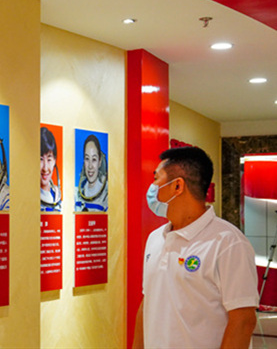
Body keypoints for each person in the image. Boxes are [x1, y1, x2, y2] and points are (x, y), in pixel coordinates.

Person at [133, 146, 258, 349]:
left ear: (177, 186)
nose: (152, 187)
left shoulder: (228, 242)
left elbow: (243, 320)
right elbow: (147, 303)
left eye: (156, 179)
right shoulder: (155, 238)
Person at [75, 134, 108, 212]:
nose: (90, 166)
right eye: (87, 159)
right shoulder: (76, 195)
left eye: (94, 159)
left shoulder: (106, 196)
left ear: (99, 162)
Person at [40, 127, 61, 212]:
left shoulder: (57, 196)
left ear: (55, 161)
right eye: (41, 159)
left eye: (49, 160)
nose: (45, 168)